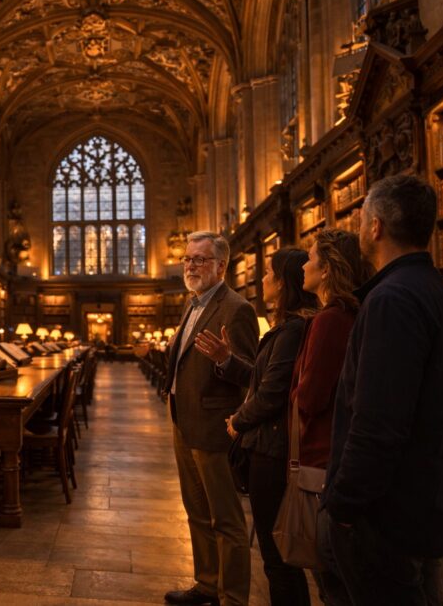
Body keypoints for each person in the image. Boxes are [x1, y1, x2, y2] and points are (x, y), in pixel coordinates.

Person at [318, 174, 443, 605]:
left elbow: (377, 421)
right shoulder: (439, 293)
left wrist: (343, 506)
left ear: (375, 227)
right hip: (424, 502)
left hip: (386, 516)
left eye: (361, 217)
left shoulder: (392, 299)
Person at [196, 247, 319, 606]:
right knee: (276, 554)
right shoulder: (287, 329)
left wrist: (238, 420)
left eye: (268, 273)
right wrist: (226, 360)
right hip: (267, 447)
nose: (262, 279)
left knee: (278, 557)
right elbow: (260, 380)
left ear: (283, 284)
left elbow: (271, 396)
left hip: (271, 451)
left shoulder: (292, 331)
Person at [163, 231, 259, 606]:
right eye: (188, 258)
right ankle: (207, 583)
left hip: (214, 427)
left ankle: (233, 595)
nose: (191, 265)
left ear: (221, 265)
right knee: (197, 511)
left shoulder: (237, 309)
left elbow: (252, 375)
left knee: (226, 518)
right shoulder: (192, 304)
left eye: (200, 259)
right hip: (183, 421)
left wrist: (224, 360)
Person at [294, 229, 372, 598]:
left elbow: (310, 397)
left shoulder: (329, 320)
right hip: (335, 452)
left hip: (323, 455)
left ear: (326, 270)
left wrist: (292, 392)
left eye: (310, 258)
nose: (304, 265)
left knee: (330, 574)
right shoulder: (349, 314)